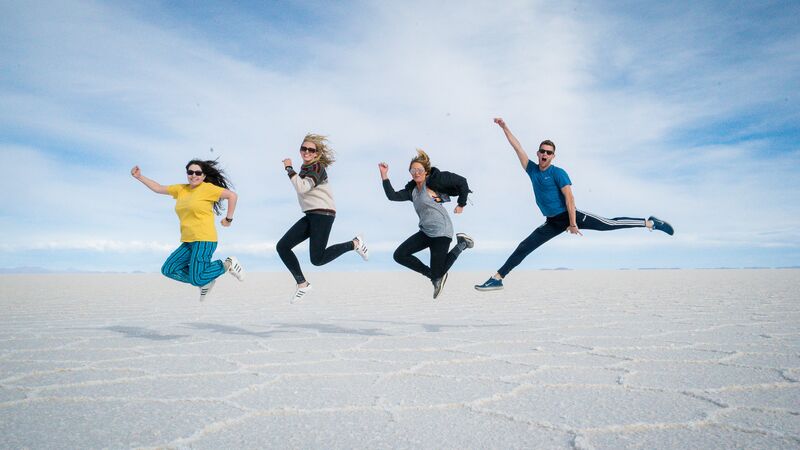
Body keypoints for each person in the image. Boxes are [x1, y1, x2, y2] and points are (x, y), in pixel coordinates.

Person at [475, 118, 674, 291]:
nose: (545, 154)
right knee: (524, 247)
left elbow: (570, 199)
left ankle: (649, 223)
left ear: (553, 156)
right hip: (552, 222)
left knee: (610, 224)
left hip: (571, 216)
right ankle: (497, 279)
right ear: (538, 153)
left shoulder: (558, 173)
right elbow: (517, 147)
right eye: (542, 151)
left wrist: (572, 223)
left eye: (549, 152)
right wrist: (504, 127)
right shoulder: (532, 170)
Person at [131, 159, 245, 301]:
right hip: (188, 241)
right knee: (169, 269)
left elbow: (232, 196)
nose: (194, 175)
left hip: (204, 239)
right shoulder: (181, 189)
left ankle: (227, 264)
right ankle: (205, 279)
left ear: (203, 176)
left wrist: (228, 219)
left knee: (197, 279)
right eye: (190, 172)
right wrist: (139, 177)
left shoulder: (207, 188)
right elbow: (158, 188)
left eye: (198, 172)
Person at [278, 133, 369, 303]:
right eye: (303, 148)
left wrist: (289, 169)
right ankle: (302, 284)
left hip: (323, 214)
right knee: (282, 246)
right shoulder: (306, 168)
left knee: (317, 260)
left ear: (316, 154)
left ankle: (355, 243)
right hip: (311, 214)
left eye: (310, 150)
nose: (306, 152)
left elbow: (303, 187)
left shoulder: (317, 168)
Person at [380, 149, 474, 299]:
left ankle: (461, 244)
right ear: (410, 172)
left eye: (419, 170)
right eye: (413, 170)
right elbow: (392, 196)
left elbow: (462, 181)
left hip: (441, 232)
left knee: (439, 273)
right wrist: (384, 175)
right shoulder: (412, 191)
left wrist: (461, 204)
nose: (416, 173)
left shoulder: (435, 181)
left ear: (425, 171)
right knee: (399, 255)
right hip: (425, 232)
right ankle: (433, 275)